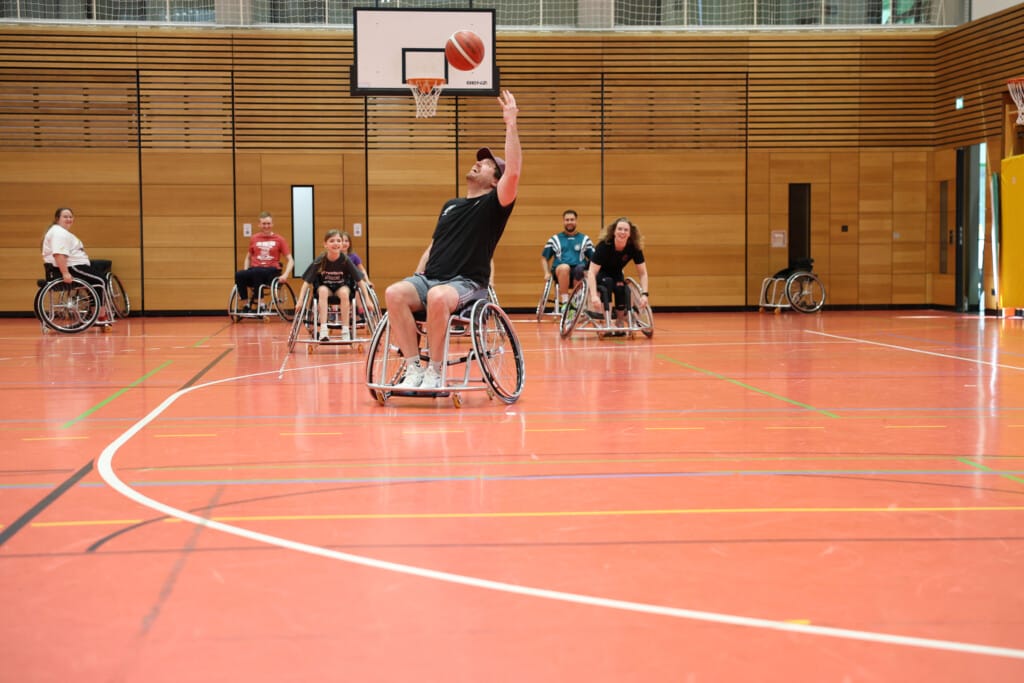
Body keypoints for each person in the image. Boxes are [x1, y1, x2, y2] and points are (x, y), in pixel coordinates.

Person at [385, 89, 521, 391]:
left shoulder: (494, 205)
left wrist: (510, 125)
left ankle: (435, 371)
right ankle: (413, 368)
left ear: (495, 179)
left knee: (437, 298)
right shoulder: (450, 205)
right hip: (432, 278)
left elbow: (513, 173)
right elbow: (435, 244)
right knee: (394, 292)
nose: (479, 163)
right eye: (480, 161)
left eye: (487, 164)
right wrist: (419, 273)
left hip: (466, 283)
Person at [297, 229, 370, 342]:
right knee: (322, 291)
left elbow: (360, 280)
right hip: (326, 287)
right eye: (332, 241)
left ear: (341, 244)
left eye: (338, 241)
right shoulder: (321, 259)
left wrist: (368, 300)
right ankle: (324, 330)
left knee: (345, 293)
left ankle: (345, 330)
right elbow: (306, 282)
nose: (336, 243)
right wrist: (300, 300)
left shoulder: (346, 260)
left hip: (341, 287)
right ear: (325, 244)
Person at [41, 207, 110, 320]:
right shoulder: (58, 232)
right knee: (101, 280)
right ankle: (101, 315)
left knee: (99, 271)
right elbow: (59, 254)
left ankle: (96, 312)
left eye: (70, 216)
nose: (68, 219)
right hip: (72, 267)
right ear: (57, 218)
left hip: (76, 264)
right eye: (65, 216)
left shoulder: (61, 232)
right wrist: (65, 273)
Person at [586, 216, 649, 335]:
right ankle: (608, 321)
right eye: (620, 229)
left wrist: (644, 294)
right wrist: (594, 295)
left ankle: (620, 320)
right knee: (608, 283)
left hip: (617, 273)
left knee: (621, 287)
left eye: (626, 230)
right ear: (614, 231)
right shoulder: (604, 246)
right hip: (600, 273)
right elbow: (591, 272)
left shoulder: (634, 248)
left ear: (630, 234)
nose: (622, 232)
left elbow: (643, 273)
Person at [235, 211, 294, 312]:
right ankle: (246, 304)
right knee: (239, 274)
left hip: (271, 271)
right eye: (264, 224)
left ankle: (261, 304)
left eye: (268, 223)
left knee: (257, 272)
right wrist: (246, 271)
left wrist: (285, 275)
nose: (266, 226)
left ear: (272, 224)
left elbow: (291, 260)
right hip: (255, 270)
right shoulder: (254, 238)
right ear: (259, 224)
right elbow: (248, 257)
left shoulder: (279, 239)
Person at [540, 209, 594, 306]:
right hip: (560, 271)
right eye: (567, 220)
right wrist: (546, 272)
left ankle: (574, 302)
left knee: (581, 269)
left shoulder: (585, 239)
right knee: (565, 267)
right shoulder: (555, 239)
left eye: (572, 220)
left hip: (579, 271)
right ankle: (565, 302)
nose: (569, 222)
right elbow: (544, 258)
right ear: (563, 221)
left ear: (576, 221)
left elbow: (594, 259)